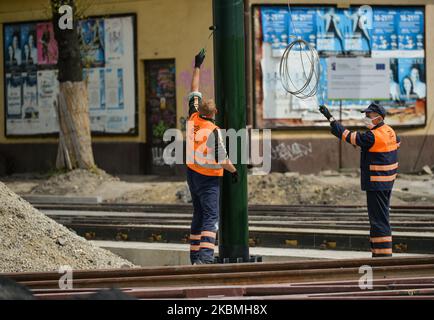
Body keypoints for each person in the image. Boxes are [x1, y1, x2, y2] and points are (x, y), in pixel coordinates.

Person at [319, 103, 400, 258]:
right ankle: (382, 253)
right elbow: (397, 144)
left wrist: (330, 118)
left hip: (376, 183)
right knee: (382, 217)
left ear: (378, 118)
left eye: (369, 116)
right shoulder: (390, 131)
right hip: (387, 182)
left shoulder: (372, 136)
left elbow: (348, 136)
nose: (366, 118)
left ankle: (382, 256)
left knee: (378, 221)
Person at [186, 49, 238, 265]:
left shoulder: (192, 116)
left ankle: (194, 255)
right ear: (215, 112)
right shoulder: (213, 131)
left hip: (191, 174)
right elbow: (223, 159)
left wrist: (197, 65)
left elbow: (194, 89)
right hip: (208, 179)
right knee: (210, 217)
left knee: (198, 215)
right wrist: (235, 172)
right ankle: (205, 259)